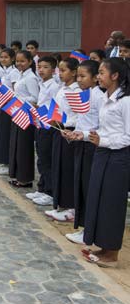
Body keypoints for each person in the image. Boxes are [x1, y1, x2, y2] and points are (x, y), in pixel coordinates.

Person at [82, 58, 130, 268]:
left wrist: (105, 141)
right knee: (98, 199)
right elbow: (100, 129)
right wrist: (80, 134)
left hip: (118, 157)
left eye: (102, 72)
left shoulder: (126, 101)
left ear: (115, 75)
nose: (98, 76)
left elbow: (128, 136)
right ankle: (102, 245)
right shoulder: (104, 98)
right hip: (102, 153)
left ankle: (112, 254)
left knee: (112, 203)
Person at [61, 60, 104, 245]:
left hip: (91, 145)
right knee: (80, 185)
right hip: (81, 141)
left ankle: (89, 228)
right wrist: (73, 133)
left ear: (95, 78)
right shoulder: (86, 95)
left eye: (83, 76)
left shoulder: (98, 97)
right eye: (77, 76)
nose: (79, 80)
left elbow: (100, 125)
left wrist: (83, 134)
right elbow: (82, 120)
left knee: (88, 187)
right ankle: (84, 226)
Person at [46, 58, 80, 223]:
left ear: (74, 72)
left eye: (64, 70)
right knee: (58, 166)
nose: (60, 73)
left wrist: (63, 123)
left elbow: (77, 116)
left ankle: (72, 208)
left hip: (70, 131)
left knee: (68, 168)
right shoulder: (63, 88)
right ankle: (61, 203)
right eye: (59, 70)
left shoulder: (76, 91)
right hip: (59, 129)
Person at [26, 56, 60, 206]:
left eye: (45, 67)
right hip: (40, 124)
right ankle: (42, 187)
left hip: (49, 125)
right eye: (39, 67)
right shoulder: (42, 83)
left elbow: (55, 107)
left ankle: (50, 192)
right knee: (40, 158)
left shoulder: (54, 86)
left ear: (53, 70)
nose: (41, 70)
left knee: (47, 159)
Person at [8, 50, 39, 187]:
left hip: (26, 115)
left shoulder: (31, 77)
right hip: (18, 112)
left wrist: (19, 99)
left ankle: (25, 178)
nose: (19, 64)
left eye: (22, 61)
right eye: (17, 61)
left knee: (24, 147)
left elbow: (35, 98)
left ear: (30, 62)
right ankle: (18, 175)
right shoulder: (21, 75)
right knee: (17, 145)